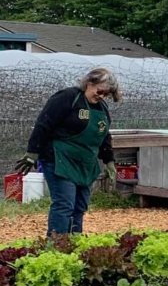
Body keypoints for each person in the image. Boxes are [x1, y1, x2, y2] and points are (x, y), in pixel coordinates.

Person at [17, 67, 121, 237]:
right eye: (100, 91)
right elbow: (44, 123)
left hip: (85, 164)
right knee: (64, 204)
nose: (101, 96)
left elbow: (104, 136)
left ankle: (74, 243)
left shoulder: (102, 108)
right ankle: (56, 245)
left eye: (106, 94)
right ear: (89, 83)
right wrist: (32, 153)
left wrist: (109, 161)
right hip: (60, 159)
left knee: (80, 206)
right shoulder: (67, 98)